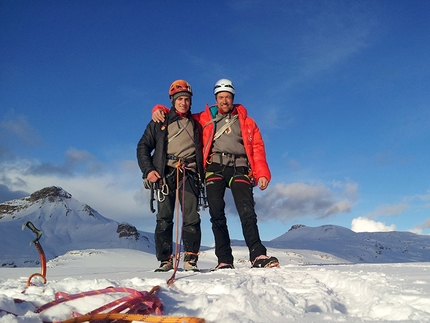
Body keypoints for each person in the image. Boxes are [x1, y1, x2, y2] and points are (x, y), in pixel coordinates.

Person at [152, 78, 279, 269]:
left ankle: (258, 254)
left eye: (227, 97)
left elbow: (257, 148)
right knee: (216, 213)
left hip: (240, 167)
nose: (224, 101)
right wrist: (159, 108)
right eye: (220, 97)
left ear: (233, 97)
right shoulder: (205, 117)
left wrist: (262, 173)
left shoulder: (247, 122)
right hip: (215, 168)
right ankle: (224, 260)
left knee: (247, 212)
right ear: (216, 99)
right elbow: (180, 113)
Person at [137, 80, 204, 272]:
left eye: (187, 99)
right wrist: (148, 170)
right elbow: (143, 147)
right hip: (165, 173)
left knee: (191, 217)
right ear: (173, 101)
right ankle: (165, 259)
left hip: (189, 173)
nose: (183, 103)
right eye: (180, 99)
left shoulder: (197, 123)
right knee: (164, 217)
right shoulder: (160, 121)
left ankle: (190, 259)